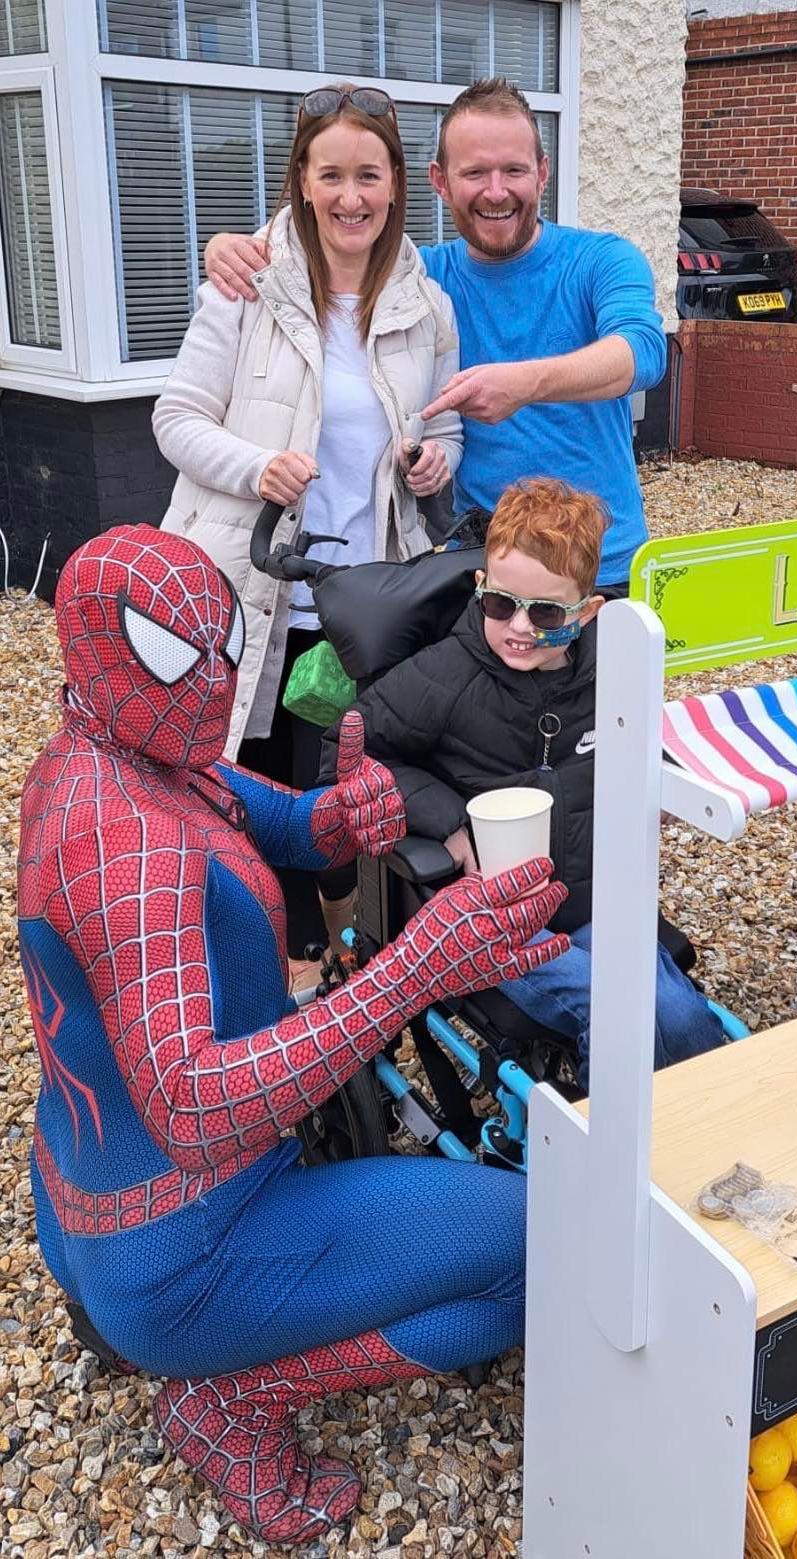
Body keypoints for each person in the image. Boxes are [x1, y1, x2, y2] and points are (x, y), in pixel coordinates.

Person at [17, 524, 567, 1545]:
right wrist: (412, 971)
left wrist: (343, 816)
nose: (217, 681)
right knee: (535, 1249)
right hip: (190, 1238)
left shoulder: (120, 753)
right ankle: (230, 1402)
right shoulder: (120, 837)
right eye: (179, 655)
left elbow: (270, 819)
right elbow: (188, 1107)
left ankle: (209, 1348)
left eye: (224, 645)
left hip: (93, 1208)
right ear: (97, 649)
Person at [153, 82, 463, 984]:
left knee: (335, 789)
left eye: (369, 175)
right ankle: (278, 971)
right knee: (250, 786)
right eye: (332, 175)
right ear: (302, 179)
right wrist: (256, 467)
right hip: (253, 591)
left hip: (362, 604)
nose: (351, 196)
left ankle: (337, 954)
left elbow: (444, 427)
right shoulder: (246, 287)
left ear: (398, 182)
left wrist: (433, 461)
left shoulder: (424, 305)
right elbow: (175, 418)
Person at [322, 479, 726, 1090]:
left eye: (544, 613)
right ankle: (602, 1168)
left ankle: (669, 1154)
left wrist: (665, 786)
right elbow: (346, 753)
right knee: (623, 1018)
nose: (518, 627)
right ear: (480, 590)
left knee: (680, 1019)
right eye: (499, 604)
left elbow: (652, 749)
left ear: (587, 613)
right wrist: (447, 819)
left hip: (596, 903)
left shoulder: (611, 674)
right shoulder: (446, 674)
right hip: (494, 923)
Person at [203, 77, 666, 591]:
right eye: (474, 173)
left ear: (542, 174)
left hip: (604, 565)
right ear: (439, 181)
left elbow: (644, 351)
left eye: (513, 170)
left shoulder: (601, 259)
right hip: (484, 566)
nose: (496, 191)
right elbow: (341, 235)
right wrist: (238, 245)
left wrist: (527, 384)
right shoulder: (424, 282)